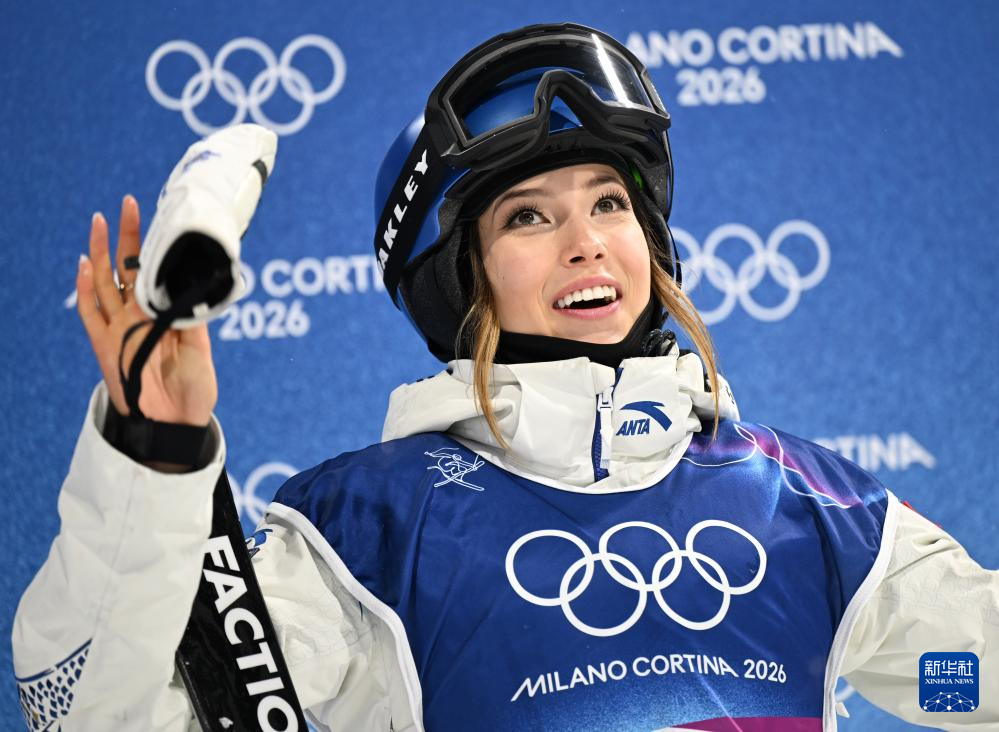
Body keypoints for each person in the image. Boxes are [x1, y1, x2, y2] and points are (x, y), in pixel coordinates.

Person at [12, 22, 998, 732]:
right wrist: (153, 452)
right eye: (528, 216)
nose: (587, 241)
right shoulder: (369, 537)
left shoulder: (807, 507)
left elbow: (970, 674)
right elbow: (87, 712)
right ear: (459, 277)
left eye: (609, 202)